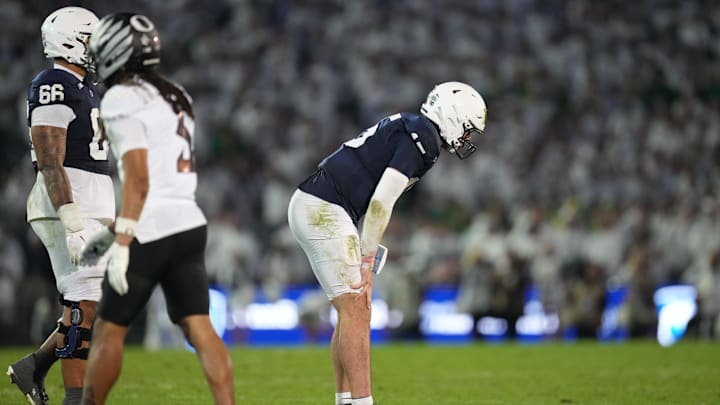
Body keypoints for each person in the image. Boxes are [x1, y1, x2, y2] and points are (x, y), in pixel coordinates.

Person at [287, 81, 487, 405]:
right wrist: (367, 262)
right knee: (358, 308)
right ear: (453, 115)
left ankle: (346, 400)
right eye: (467, 129)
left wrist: (367, 257)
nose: (465, 138)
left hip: (318, 204)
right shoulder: (424, 136)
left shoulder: (414, 127)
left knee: (350, 310)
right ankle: (363, 402)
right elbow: (381, 202)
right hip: (323, 208)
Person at [78, 12, 234, 405]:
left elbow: (140, 178)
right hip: (189, 222)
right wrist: (118, 228)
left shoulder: (120, 98)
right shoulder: (176, 92)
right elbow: (164, 177)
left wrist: (125, 238)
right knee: (200, 328)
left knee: (109, 331)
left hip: (150, 227)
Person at [7, 7, 114, 405]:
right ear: (70, 40)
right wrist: (71, 219)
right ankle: (75, 400)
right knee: (83, 304)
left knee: (95, 306)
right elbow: (51, 157)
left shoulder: (86, 86)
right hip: (69, 201)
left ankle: (33, 366)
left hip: (93, 199)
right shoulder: (54, 81)